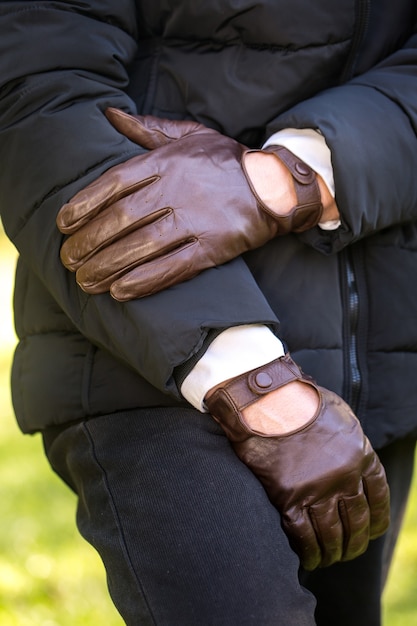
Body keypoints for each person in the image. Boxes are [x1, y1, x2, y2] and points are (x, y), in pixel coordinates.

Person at [0, 1, 416, 624]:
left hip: (377, 358)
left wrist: (287, 179)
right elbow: (39, 88)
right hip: (147, 352)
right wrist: (250, 381)